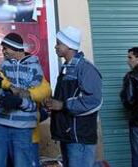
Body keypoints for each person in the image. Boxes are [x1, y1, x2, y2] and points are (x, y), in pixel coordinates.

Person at [0, 32, 46, 167]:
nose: (3, 51)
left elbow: (35, 99)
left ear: (16, 48)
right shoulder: (4, 66)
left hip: (23, 129)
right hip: (0, 124)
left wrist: (19, 102)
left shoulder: (35, 68)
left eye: (5, 48)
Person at [43, 26, 102, 167]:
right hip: (68, 136)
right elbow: (66, 98)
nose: (55, 46)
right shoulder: (67, 68)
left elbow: (94, 101)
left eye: (59, 43)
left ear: (69, 46)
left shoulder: (86, 69)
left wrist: (63, 105)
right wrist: (53, 104)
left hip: (79, 138)